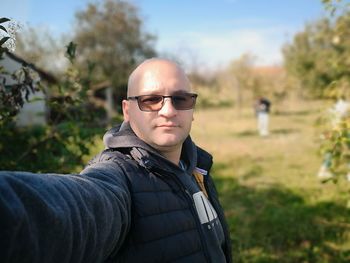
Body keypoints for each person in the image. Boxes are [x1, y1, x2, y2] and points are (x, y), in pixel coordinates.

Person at [0, 58, 232, 262]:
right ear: (127, 110)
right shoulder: (119, 176)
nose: (168, 111)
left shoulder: (197, 165)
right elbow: (78, 209)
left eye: (180, 99)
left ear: (192, 108)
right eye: (151, 99)